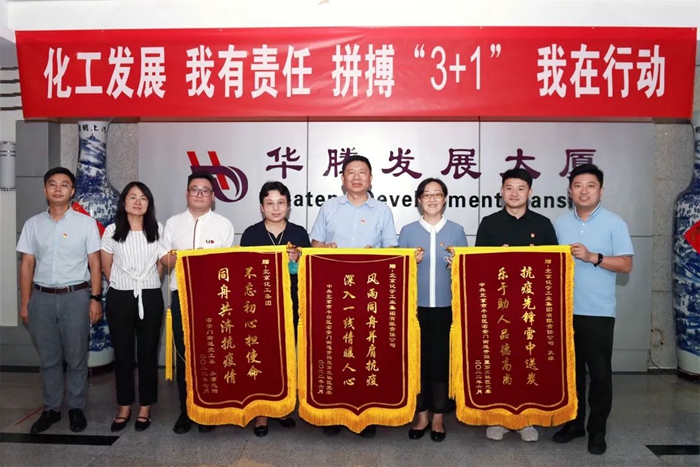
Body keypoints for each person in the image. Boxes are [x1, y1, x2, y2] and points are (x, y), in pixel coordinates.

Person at [309, 155, 398, 438]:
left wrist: (377, 255)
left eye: (362, 172)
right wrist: (327, 248)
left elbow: (392, 250)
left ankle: (366, 414)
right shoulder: (329, 207)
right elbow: (314, 243)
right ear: (342, 178)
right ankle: (333, 413)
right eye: (351, 172)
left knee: (367, 348)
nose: (357, 177)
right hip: (334, 293)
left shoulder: (382, 210)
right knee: (335, 349)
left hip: (370, 294)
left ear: (371, 178)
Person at [552, 163, 633, 455]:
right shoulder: (560, 223)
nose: (583, 191)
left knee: (599, 375)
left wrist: (592, 257)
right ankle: (574, 424)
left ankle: (597, 431)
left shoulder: (614, 223)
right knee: (570, 374)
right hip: (563, 312)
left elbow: (626, 264)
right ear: (569, 191)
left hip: (598, 312)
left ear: (601, 190)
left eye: (590, 186)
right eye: (578, 186)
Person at [475, 167, 558, 442]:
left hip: (531, 308)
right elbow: (477, 266)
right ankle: (499, 417)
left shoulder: (543, 224)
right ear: (501, 191)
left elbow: (554, 266)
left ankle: (526, 419)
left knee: (528, 361)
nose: (514, 193)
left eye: (520, 189)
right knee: (500, 360)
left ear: (530, 192)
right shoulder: (489, 223)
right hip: (498, 307)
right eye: (509, 188)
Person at [17, 167, 102, 434]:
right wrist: (25, 301)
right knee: (49, 358)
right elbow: (27, 264)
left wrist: (95, 298)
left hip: (75, 297)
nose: (58, 189)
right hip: (41, 298)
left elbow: (95, 264)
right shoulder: (33, 224)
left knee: (76, 357)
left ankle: (76, 408)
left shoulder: (85, 224)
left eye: (64, 184)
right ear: (45, 190)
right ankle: (51, 409)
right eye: (52, 184)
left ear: (72, 191)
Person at [160, 172, 235, 435]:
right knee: (184, 355)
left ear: (213, 197)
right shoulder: (172, 223)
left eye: (205, 190)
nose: (200, 194)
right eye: (195, 189)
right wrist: (183, 257)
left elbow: (227, 265)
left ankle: (208, 410)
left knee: (210, 354)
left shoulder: (224, 225)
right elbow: (164, 259)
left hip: (212, 299)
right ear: (187, 194)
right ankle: (186, 410)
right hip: (181, 297)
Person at [398, 178, 467, 443]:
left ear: (445, 199)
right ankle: (421, 416)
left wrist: (456, 265)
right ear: (419, 200)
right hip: (415, 310)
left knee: (440, 362)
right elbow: (396, 272)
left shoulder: (457, 230)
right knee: (417, 362)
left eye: (437, 194)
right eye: (427, 195)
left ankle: (438, 417)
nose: (432, 199)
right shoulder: (407, 231)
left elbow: (467, 271)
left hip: (446, 309)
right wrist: (410, 264)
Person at [239, 181, 310, 437]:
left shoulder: (299, 233)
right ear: (261, 207)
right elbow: (242, 272)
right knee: (263, 358)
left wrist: (298, 260)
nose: (276, 208)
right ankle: (262, 413)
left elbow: (310, 273)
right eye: (270, 203)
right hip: (260, 308)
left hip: (291, 306)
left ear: (288, 206)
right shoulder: (251, 234)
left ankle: (283, 408)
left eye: (281, 203)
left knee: (288, 357)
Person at [101, 182, 164, 433]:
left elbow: (161, 264)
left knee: (148, 353)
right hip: (120, 297)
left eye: (143, 198)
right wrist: (123, 284)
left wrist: (148, 282)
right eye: (132, 197)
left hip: (150, 296)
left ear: (149, 203)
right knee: (123, 355)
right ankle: (124, 406)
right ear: (124, 201)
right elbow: (107, 265)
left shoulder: (158, 229)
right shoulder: (112, 230)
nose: (138, 202)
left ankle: (145, 407)